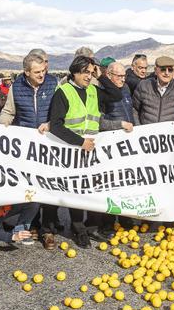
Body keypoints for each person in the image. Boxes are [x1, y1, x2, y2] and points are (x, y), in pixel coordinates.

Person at [49, 55, 125, 247]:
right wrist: (80, 142)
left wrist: (102, 76)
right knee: (77, 191)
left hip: (93, 149)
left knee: (94, 188)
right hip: (73, 148)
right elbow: (56, 125)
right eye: (85, 72)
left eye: (91, 73)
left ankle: (92, 228)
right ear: (74, 72)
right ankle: (78, 229)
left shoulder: (94, 90)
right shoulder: (63, 92)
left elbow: (117, 95)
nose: (89, 76)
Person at [0, 50, 61, 247]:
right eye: (37, 72)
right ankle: (32, 225)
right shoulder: (16, 87)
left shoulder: (53, 83)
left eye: (43, 70)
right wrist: (2, 130)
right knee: (30, 186)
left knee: (50, 186)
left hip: (49, 143)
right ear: (26, 72)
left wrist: (51, 123)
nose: (42, 75)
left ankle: (48, 230)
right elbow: (8, 112)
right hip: (27, 146)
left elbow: (61, 111)